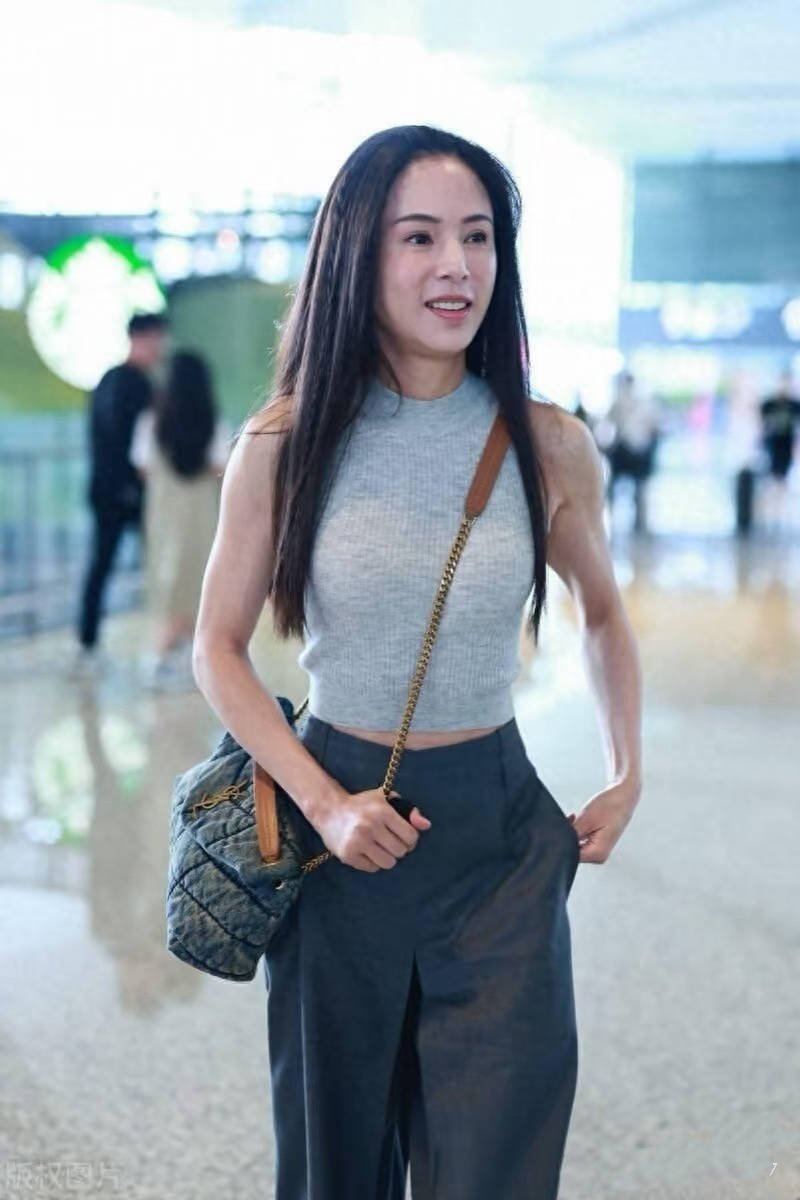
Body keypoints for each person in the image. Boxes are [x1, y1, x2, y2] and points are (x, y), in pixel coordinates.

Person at [192, 126, 642, 1200]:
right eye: (421, 237)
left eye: (477, 238)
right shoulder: (283, 443)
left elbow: (601, 615)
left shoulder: (547, 443)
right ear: (358, 253)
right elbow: (217, 647)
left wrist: (628, 773)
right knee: (335, 1164)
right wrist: (324, 804)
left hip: (499, 839)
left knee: (495, 1165)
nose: (456, 266)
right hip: (335, 833)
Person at [130, 350, 231, 688]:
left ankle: (162, 653)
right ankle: (188, 652)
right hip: (201, 514)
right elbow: (221, 466)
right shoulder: (213, 423)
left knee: (165, 577)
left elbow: (143, 467)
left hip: (162, 515)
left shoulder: (151, 422)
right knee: (198, 576)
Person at [75, 312, 169, 670]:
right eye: (157, 339)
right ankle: (164, 642)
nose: (160, 347)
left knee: (101, 564)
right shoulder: (135, 384)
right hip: (128, 491)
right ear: (141, 338)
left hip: (107, 489)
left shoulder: (108, 380)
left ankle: (89, 641)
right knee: (159, 563)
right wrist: (135, 482)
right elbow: (130, 443)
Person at [604, 369, 661, 534]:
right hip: (628, 450)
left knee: (639, 490)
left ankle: (640, 524)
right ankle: (637, 524)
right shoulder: (626, 402)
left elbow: (654, 426)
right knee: (636, 490)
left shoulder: (641, 402)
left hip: (636, 450)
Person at [759, 371, 800, 529]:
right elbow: (762, 425)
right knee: (770, 478)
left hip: (786, 446)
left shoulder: (794, 405)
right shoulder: (768, 404)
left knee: (783, 478)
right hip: (771, 446)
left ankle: (780, 511)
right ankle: (768, 510)